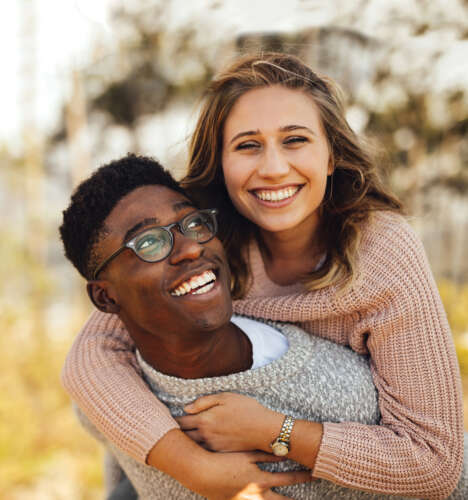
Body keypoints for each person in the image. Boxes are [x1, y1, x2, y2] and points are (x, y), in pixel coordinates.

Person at [62, 53, 464, 499]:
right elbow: (91, 356)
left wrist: (274, 430)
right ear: (222, 163)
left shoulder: (381, 249)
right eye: (248, 145)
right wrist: (193, 466)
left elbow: (433, 463)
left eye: (295, 140)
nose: (273, 168)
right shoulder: (203, 240)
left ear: (331, 156)